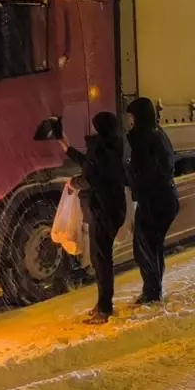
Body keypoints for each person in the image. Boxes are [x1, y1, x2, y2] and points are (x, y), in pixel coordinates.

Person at [60, 112, 126, 324]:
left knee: (102, 260)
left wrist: (74, 183)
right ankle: (102, 304)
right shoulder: (112, 145)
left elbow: (91, 178)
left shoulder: (101, 149)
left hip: (102, 211)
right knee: (101, 258)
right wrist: (68, 149)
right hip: (112, 209)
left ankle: (104, 309)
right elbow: (92, 165)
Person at [125, 97, 180, 304]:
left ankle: (152, 293)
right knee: (153, 246)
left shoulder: (143, 137)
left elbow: (144, 171)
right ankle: (153, 289)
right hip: (164, 197)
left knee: (144, 248)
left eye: (131, 116)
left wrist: (130, 177)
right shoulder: (157, 132)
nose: (129, 121)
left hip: (155, 200)